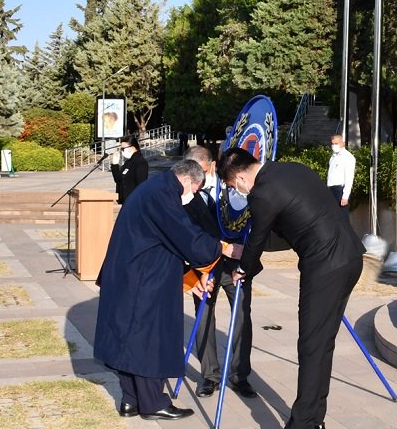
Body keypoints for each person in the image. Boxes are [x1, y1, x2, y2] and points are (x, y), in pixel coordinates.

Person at [218, 147, 366, 429]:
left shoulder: (261, 192)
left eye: (230, 186)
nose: (235, 191)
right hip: (351, 257)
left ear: (237, 178)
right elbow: (294, 224)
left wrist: (241, 269)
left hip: (325, 266)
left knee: (311, 346)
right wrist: (247, 252)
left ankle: (302, 423)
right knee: (322, 343)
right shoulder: (291, 169)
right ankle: (314, 419)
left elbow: (258, 239)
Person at [94, 159, 241, 421]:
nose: (193, 196)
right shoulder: (164, 195)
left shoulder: (154, 188)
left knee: (128, 337)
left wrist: (190, 278)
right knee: (149, 339)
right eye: (195, 190)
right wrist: (223, 248)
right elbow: (185, 236)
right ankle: (153, 403)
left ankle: (131, 399)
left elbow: (162, 241)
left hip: (131, 273)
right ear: (188, 180)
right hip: (143, 279)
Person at [181, 145, 256, 399]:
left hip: (236, 267)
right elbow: (186, 235)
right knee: (203, 319)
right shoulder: (184, 194)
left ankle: (239, 375)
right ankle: (209, 376)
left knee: (242, 317)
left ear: (211, 166)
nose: (197, 181)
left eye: (200, 172)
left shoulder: (231, 183)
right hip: (203, 268)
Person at [110, 135, 148, 204]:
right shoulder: (128, 162)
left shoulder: (140, 162)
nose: (122, 151)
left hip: (133, 202)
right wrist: (115, 165)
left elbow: (141, 185)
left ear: (132, 147)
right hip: (124, 201)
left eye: (123, 148)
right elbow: (118, 179)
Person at [326, 134, 356, 211]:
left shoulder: (347, 157)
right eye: (332, 144)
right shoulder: (333, 157)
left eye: (336, 143)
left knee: (342, 214)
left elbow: (349, 178)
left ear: (342, 143)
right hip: (330, 189)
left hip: (339, 190)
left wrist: (345, 196)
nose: (334, 146)